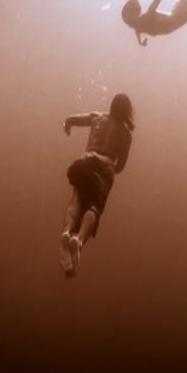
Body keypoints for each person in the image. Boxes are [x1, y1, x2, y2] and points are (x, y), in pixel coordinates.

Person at [59, 93, 134, 277]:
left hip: (85, 160)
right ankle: (79, 239)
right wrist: (108, 171)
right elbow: (121, 165)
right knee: (94, 207)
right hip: (104, 167)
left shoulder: (97, 117)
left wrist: (67, 124)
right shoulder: (126, 134)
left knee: (76, 199)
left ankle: (67, 232)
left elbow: (73, 119)